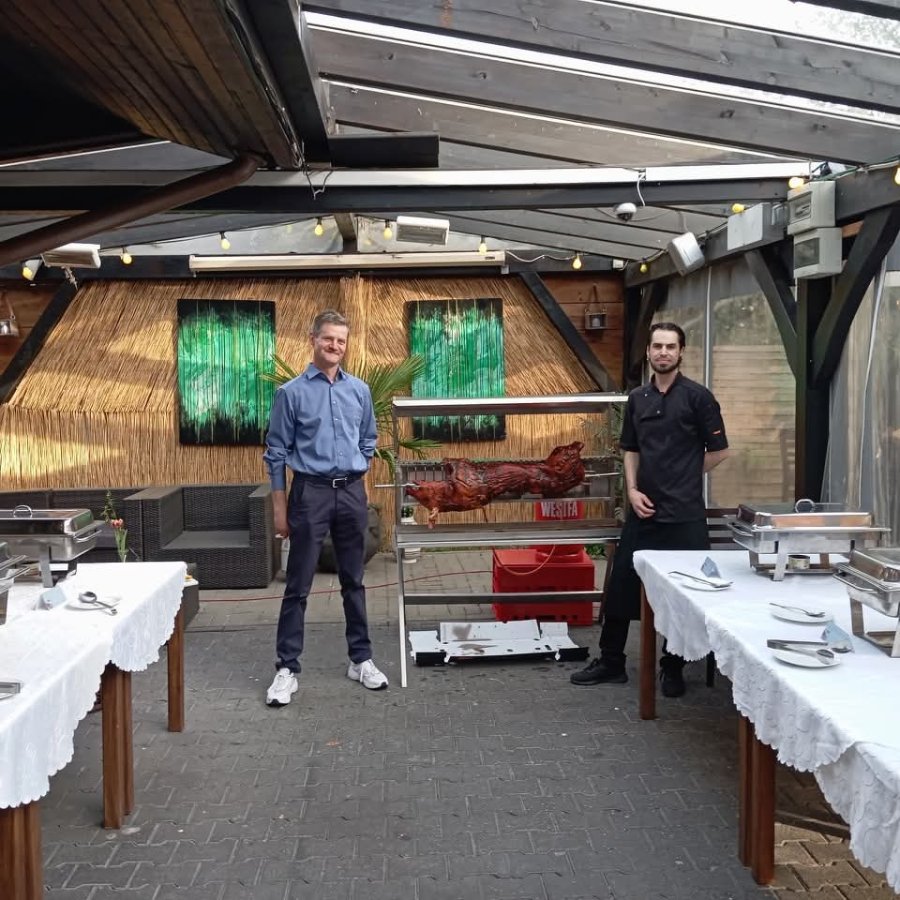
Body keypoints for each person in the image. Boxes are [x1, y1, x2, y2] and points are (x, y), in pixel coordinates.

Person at [571, 322, 730, 698]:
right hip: (643, 512)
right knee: (621, 587)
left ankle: (672, 667)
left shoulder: (698, 398)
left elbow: (720, 451)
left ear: (681, 351)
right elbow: (631, 449)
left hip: (685, 515)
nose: (663, 352)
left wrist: (685, 475)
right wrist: (631, 490)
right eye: (657, 346)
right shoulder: (638, 398)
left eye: (670, 346)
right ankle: (611, 662)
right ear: (648, 352)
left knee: (683, 594)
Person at [262, 309, 388, 707]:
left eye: (341, 340)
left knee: (354, 580)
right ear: (313, 339)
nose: (335, 346)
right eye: (328, 338)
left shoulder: (360, 391)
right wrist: (280, 509)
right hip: (309, 494)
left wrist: (360, 468)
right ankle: (287, 668)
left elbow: (368, 437)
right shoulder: (291, 393)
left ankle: (361, 659)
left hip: (351, 493)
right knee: (298, 585)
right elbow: (276, 453)